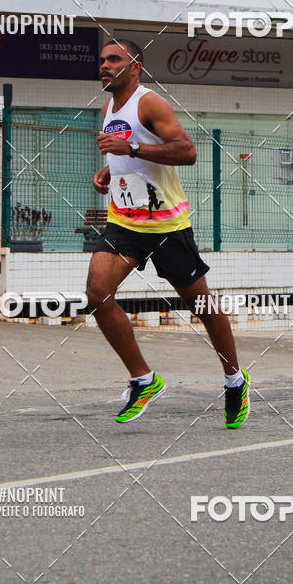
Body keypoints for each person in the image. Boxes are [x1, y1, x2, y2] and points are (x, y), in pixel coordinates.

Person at [86, 39, 249, 427]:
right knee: (97, 294)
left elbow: (186, 151)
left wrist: (131, 151)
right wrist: (110, 170)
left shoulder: (150, 103)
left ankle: (234, 380)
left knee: (202, 307)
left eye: (115, 60)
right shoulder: (109, 106)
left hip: (166, 226)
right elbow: (126, 151)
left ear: (136, 67)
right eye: (103, 60)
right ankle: (144, 380)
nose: (105, 66)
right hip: (124, 221)